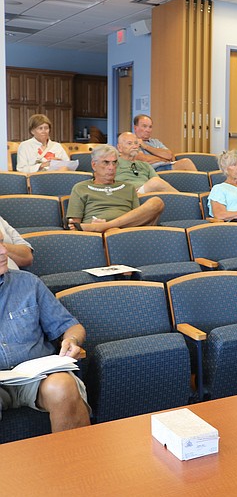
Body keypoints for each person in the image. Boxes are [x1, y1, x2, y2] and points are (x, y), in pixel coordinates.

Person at [0, 243, 90, 432]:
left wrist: (71, 340)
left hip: (36, 376)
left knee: (63, 386)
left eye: (1, 242)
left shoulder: (28, 283)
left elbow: (71, 326)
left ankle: (75, 460)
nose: (4, 251)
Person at [65, 145, 164, 232]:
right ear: (94, 165)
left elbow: (137, 218)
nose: (111, 167)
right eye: (106, 163)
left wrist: (105, 225)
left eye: (114, 163)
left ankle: (104, 226)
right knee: (112, 231)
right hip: (96, 234)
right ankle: (107, 228)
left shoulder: (128, 187)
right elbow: (74, 226)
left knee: (157, 202)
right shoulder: (80, 188)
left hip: (125, 231)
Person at [132, 114, 197, 172]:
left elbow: (170, 155)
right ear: (135, 128)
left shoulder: (155, 142)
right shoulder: (133, 142)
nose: (148, 130)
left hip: (166, 166)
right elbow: (144, 159)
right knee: (186, 163)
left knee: (186, 170)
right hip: (153, 170)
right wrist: (163, 158)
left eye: (150, 127)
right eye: (144, 126)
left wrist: (145, 146)